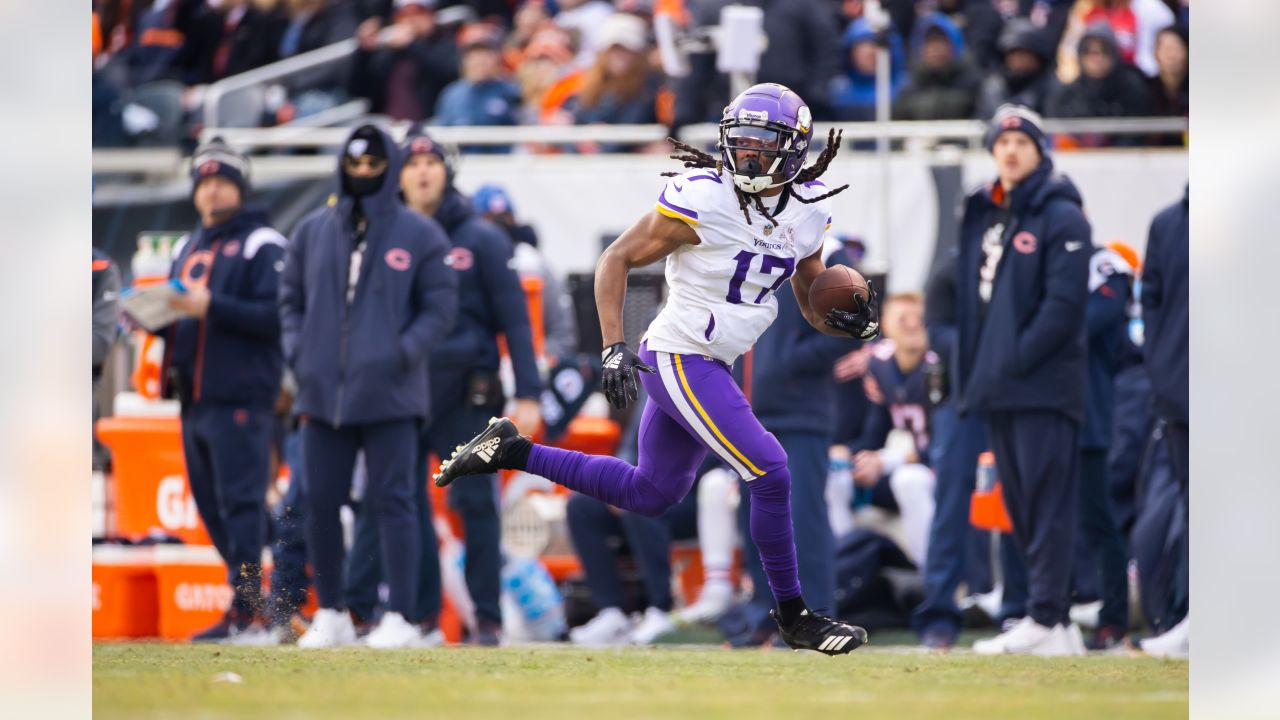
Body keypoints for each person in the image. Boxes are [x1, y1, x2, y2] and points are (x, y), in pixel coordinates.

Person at [435, 83, 879, 656]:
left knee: (652, 493)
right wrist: (612, 346)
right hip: (679, 354)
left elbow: (811, 303)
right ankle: (795, 616)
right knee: (770, 470)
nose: (746, 153)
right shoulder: (706, 196)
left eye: (761, 144)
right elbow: (614, 258)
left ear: (793, 150)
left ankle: (512, 452)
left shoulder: (808, 209)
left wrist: (854, 324)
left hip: (713, 358)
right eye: (739, 141)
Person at [343, 127, 542, 646]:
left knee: (476, 508)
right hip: (399, 393)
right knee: (394, 501)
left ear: (446, 172)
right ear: (398, 176)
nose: (423, 171)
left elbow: (516, 321)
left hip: (466, 395)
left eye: (431, 162)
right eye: (412, 164)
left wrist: (529, 391)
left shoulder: (481, 238)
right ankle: (416, 617)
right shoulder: (383, 236)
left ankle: (487, 619)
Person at [279, 123, 458, 648]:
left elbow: (440, 308)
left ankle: (401, 615)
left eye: (372, 165)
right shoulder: (313, 231)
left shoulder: (420, 234)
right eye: (354, 165)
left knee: (395, 500)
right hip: (322, 392)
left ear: (390, 167)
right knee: (319, 501)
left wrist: (400, 353)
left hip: (392, 393)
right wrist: (300, 353)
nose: (362, 174)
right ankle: (331, 611)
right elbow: (289, 299)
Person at [955, 104, 1090, 656]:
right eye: (1001, 142)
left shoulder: (1063, 217)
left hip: (1043, 386)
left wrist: (1011, 359)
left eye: (1021, 142)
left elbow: (1062, 308)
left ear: (1040, 151)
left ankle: (1049, 617)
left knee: (1047, 502)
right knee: (1023, 505)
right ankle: (1048, 621)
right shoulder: (987, 215)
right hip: (1000, 385)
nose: (1010, 151)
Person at [160, 138, 286, 641]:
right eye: (204, 183)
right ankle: (258, 602)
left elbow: (278, 317)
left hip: (242, 396)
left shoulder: (263, 243)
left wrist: (212, 306)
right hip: (193, 397)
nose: (211, 192)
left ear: (239, 186)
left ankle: (252, 611)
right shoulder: (184, 246)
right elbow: (180, 316)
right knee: (213, 508)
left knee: (242, 506)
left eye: (221, 181)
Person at [833, 294, 937, 569]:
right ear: (887, 326)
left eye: (920, 319)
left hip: (942, 470)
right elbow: (874, 434)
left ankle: (930, 582)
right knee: (835, 476)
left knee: (909, 480)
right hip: (912, 463)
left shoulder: (940, 363)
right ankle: (847, 569)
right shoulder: (880, 366)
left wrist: (888, 460)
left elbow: (945, 446)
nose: (914, 325)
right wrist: (850, 454)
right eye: (904, 319)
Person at [1137, 186, 1188, 659]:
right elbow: (1151, 301)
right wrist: (1165, 370)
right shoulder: (1168, 222)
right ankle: (1191, 618)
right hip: (1184, 394)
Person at [1078, 244, 1135, 650]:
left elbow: (1094, 319)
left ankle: (1113, 618)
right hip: (1038, 408)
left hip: (1086, 409)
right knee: (1037, 519)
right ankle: (1042, 612)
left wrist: (1045, 322)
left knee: (1096, 517)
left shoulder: (1102, 263)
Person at [565, 490, 698, 646]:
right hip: (644, 490)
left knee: (640, 505)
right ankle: (611, 612)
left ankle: (661, 611)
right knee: (581, 504)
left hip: (691, 497)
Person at [348, 0, 459, 122]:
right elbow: (357, 89)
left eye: (419, 12)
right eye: (404, 14)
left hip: (429, 125)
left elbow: (450, 74)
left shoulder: (445, 43)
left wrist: (412, 45)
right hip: (390, 127)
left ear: (433, 15)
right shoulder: (388, 52)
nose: (411, 19)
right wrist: (364, 51)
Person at [433, 23, 521, 147]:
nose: (481, 60)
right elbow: (442, 132)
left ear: (497, 57)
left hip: (503, 162)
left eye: (487, 53)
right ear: (465, 59)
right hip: (463, 161)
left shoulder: (511, 90)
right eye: (474, 54)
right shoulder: (451, 94)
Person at [1046, 23, 1150, 124]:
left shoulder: (1132, 89)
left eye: (1105, 51)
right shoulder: (1066, 95)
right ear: (1080, 55)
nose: (1097, 58)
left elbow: (1135, 133)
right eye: (1089, 51)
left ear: (1115, 54)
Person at [892, 12, 982, 121]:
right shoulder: (909, 85)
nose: (936, 50)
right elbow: (898, 123)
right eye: (930, 44)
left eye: (942, 43)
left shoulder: (971, 82)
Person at [976, 18, 1058, 119]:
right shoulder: (994, 87)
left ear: (1038, 55)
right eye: (1012, 53)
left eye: (1024, 53)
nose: (1018, 59)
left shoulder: (1053, 87)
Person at [829, 18, 906, 123]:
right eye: (863, 45)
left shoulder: (904, 90)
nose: (871, 52)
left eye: (875, 44)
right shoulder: (837, 93)